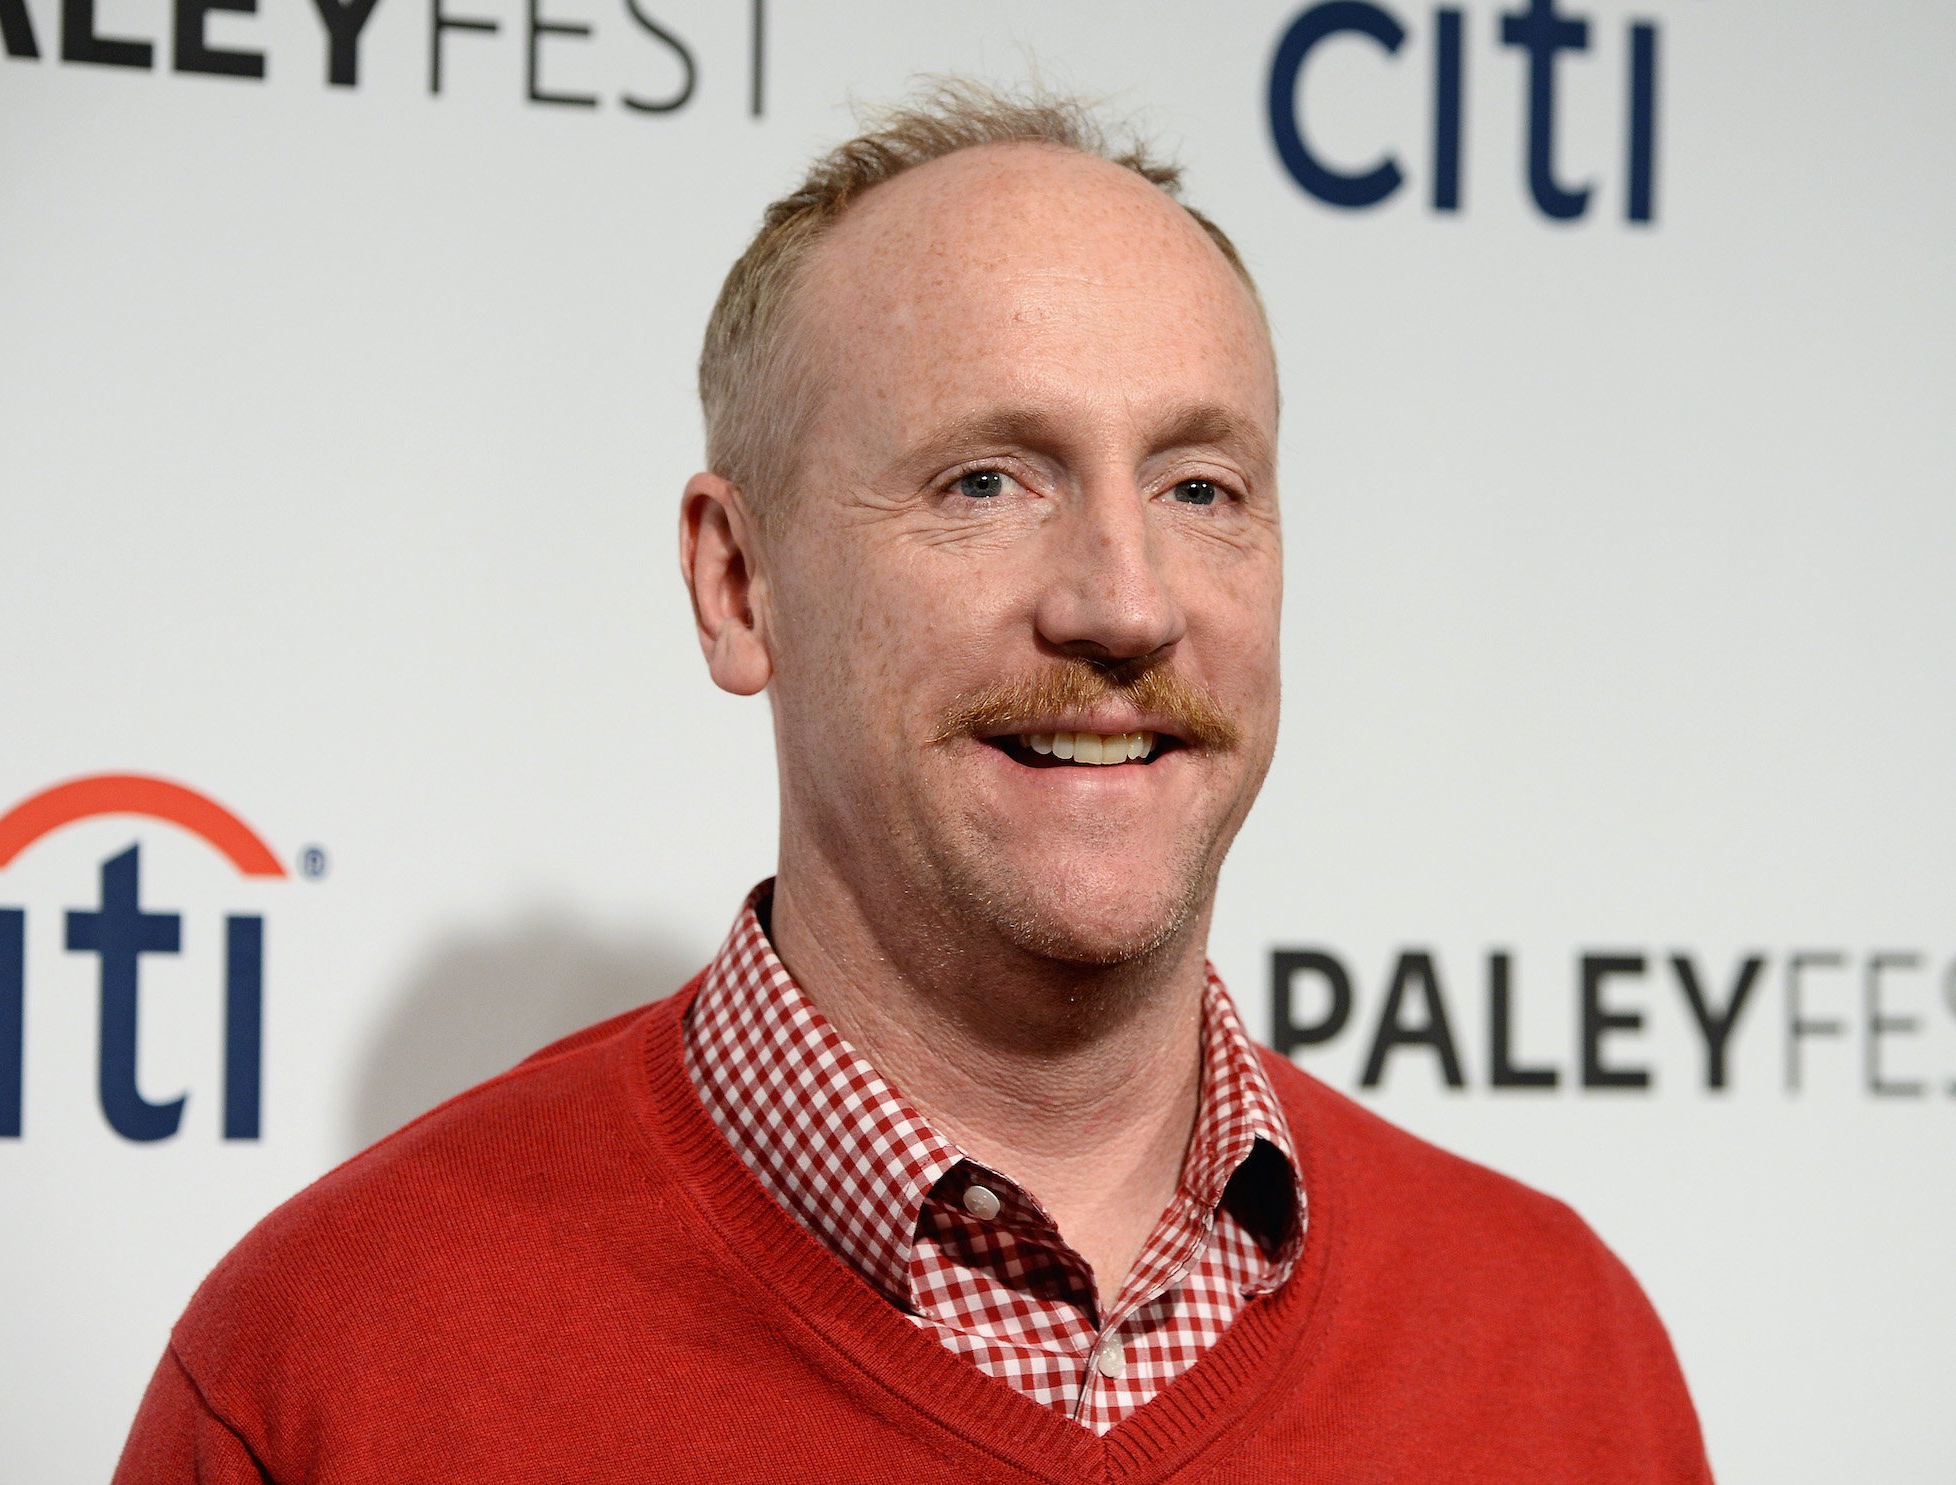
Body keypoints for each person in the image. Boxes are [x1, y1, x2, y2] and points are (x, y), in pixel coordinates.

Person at [115, 81, 1713, 1482]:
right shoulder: (325, 1370)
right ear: (739, 586)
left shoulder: (1565, 1346)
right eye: (986, 480)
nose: (1125, 599)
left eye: (1202, 483)